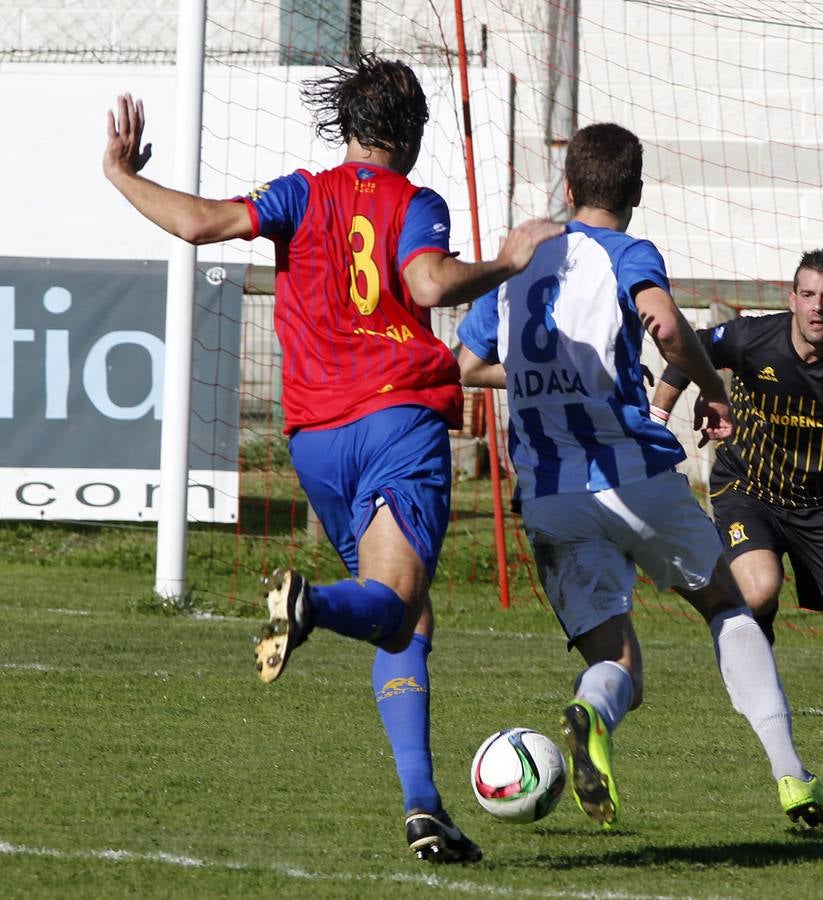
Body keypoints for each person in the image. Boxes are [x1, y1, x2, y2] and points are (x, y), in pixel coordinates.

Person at [103, 55, 562, 864]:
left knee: (405, 622)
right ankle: (309, 605)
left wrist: (118, 174)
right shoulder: (415, 202)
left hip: (315, 438)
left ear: (345, 126)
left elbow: (199, 224)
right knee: (389, 606)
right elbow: (425, 285)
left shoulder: (299, 193)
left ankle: (424, 809)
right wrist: (507, 262)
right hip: (396, 422)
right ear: (412, 136)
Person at [455, 123, 823, 830]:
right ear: (635, 192)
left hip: (548, 494)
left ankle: (590, 711)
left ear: (567, 188)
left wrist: (553, 380)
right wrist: (709, 387)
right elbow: (663, 326)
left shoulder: (518, 263)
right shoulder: (626, 251)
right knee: (725, 603)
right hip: (632, 473)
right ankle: (792, 777)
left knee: (618, 660)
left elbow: (465, 365)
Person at [649, 249, 823, 721]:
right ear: (792, 299)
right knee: (759, 590)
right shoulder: (752, 337)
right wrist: (657, 421)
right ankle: (752, 680)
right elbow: (686, 349)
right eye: (807, 295)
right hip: (747, 488)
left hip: (818, 501)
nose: (817, 307)